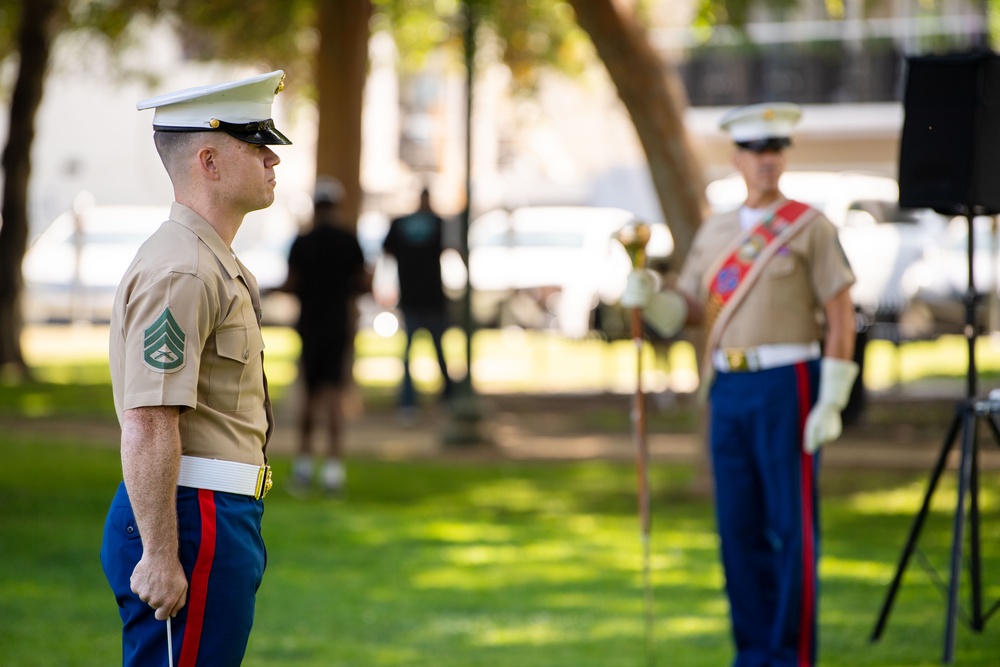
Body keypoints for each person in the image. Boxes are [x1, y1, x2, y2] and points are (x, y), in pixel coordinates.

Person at [621, 102, 858, 667]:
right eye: (755, 151)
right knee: (738, 530)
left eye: (775, 150)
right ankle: (752, 653)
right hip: (728, 388)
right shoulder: (716, 229)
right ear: (737, 159)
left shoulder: (810, 226)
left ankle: (790, 656)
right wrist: (649, 295)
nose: (767, 160)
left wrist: (833, 395)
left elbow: (842, 314)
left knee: (791, 529)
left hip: (788, 383)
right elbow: (695, 308)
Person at [100, 70, 291, 666]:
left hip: (212, 509)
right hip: (191, 512)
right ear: (208, 160)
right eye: (255, 143)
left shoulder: (207, 257)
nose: (272, 158)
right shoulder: (183, 267)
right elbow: (151, 418)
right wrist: (160, 552)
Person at [282, 176, 371, 494]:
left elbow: (290, 283)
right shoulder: (349, 240)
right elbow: (363, 284)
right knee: (336, 396)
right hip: (339, 327)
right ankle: (334, 470)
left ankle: (304, 467)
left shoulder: (302, 242)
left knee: (309, 395)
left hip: (310, 327)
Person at [381, 187, 453, 416]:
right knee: (431, 353)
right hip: (424, 299)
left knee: (421, 354)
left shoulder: (405, 224)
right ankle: (435, 399)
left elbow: (387, 251)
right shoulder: (438, 223)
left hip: (421, 299)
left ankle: (412, 402)